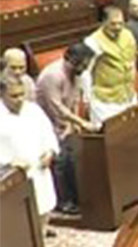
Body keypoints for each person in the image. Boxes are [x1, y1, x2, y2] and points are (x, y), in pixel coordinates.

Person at [34, 44, 94, 217]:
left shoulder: (78, 74)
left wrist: (73, 125)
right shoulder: (53, 76)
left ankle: (75, 198)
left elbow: (74, 100)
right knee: (60, 163)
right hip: (46, 124)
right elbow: (56, 107)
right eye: (81, 64)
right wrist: (80, 122)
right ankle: (62, 202)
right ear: (69, 60)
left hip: (64, 124)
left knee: (71, 160)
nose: (84, 68)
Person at [0, 78, 60, 225]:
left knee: (43, 213)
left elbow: (48, 133)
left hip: (39, 171)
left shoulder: (33, 110)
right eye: (14, 96)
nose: (19, 100)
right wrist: (8, 162)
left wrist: (50, 152)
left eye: (22, 95)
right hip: (12, 178)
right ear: (2, 94)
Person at [85, 7, 138, 123]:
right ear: (103, 22)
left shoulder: (128, 35)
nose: (118, 28)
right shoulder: (92, 41)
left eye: (121, 24)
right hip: (105, 102)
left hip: (128, 95)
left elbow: (133, 59)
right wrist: (87, 98)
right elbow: (85, 71)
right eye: (113, 24)